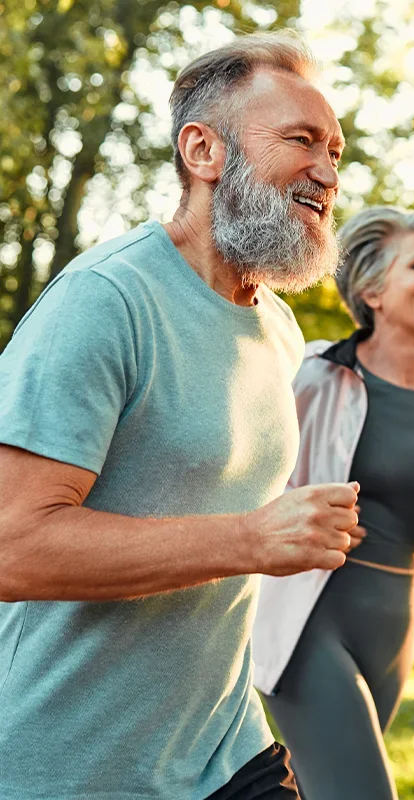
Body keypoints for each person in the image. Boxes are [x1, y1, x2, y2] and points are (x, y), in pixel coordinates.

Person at [0, 33, 362, 800]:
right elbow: (11, 547)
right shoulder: (105, 301)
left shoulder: (277, 328)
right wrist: (252, 538)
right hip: (72, 764)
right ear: (204, 150)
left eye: (335, 150)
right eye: (301, 141)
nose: (329, 173)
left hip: (226, 750)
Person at [253, 206, 414, 799]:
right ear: (372, 290)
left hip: (396, 623)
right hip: (310, 621)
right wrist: (306, 511)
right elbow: (255, 481)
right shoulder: (314, 375)